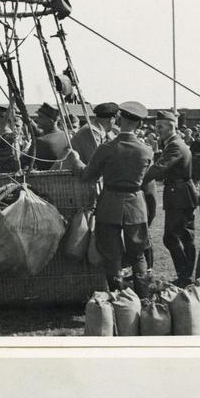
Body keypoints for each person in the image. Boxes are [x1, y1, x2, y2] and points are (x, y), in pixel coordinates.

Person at [71, 100, 153, 292]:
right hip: (135, 206)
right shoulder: (146, 151)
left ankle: (118, 297)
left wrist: (75, 160)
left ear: (118, 119)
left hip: (109, 205)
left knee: (112, 255)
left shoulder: (107, 148)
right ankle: (143, 297)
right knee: (138, 255)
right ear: (140, 124)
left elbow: (87, 176)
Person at [143, 109, 197, 286]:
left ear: (171, 126)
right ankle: (186, 276)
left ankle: (185, 276)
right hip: (182, 192)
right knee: (186, 236)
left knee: (171, 237)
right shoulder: (174, 143)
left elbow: (159, 169)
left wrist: (137, 179)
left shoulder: (174, 145)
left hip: (178, 194)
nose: (157, 129)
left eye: (160, 126)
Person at [31, 101, 70, 170]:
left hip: (44, 179)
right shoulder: (67, 136)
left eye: (40, 117)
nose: (36, 119)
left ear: (51, 120)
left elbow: (23, 162)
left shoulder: (41, 141)